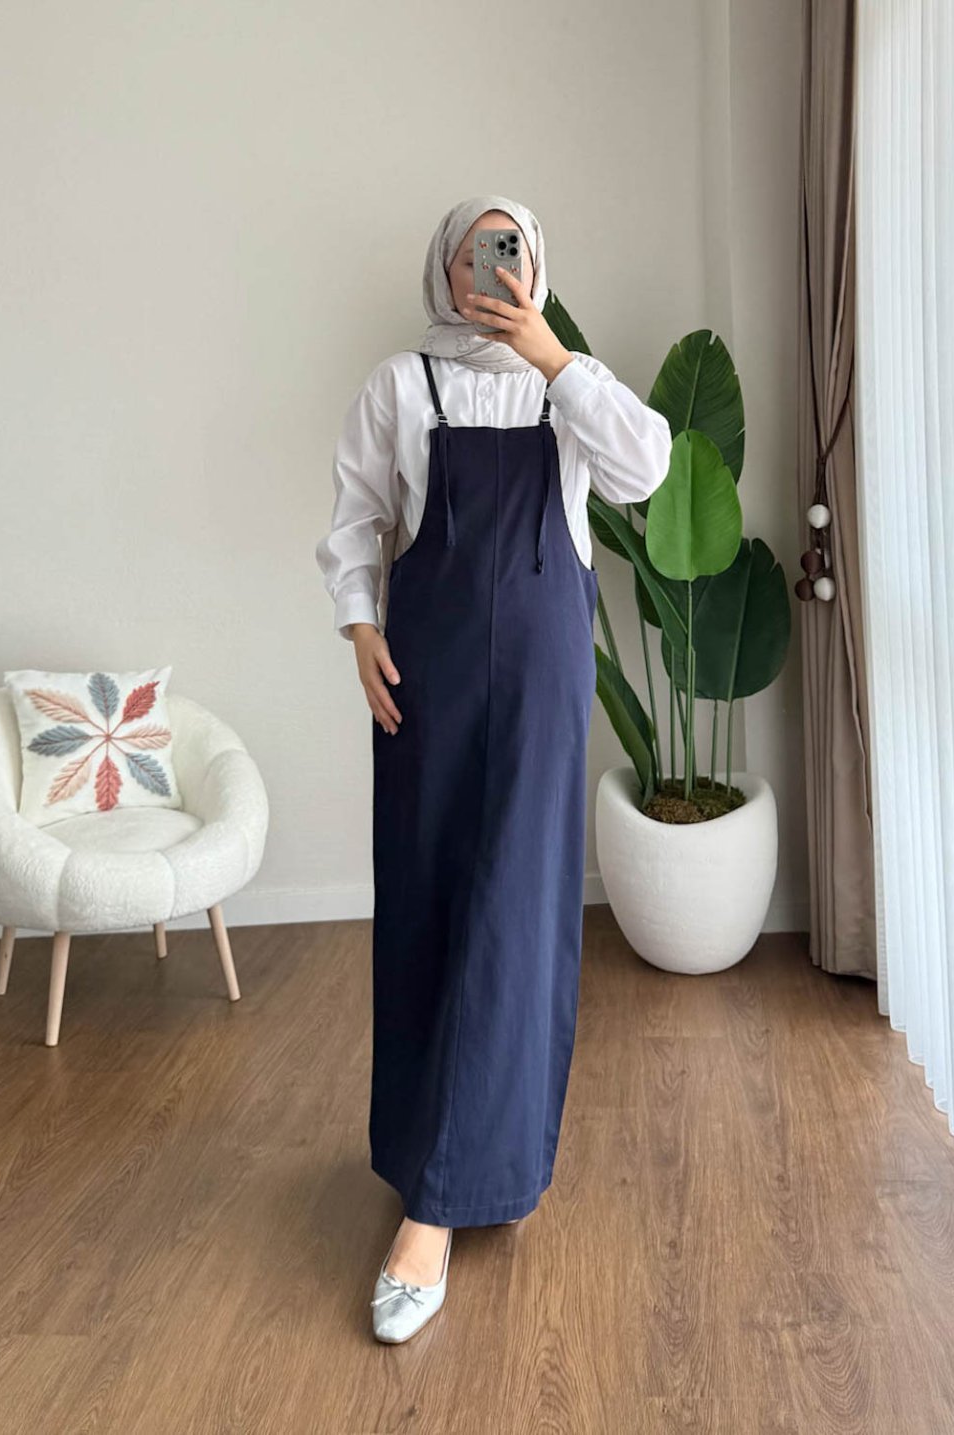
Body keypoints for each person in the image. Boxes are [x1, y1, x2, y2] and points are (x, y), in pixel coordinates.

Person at [315, 195, 673, 1343]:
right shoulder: (399, 385)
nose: (494, 268)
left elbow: (645, 472)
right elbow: (356, 523)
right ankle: (448, 1158)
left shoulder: (567, 385)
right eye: (478, 250)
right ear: (446, 265)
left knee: (516, 914)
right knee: (427, 902)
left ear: (536, 265)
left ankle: (442, 1205)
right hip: (422, 679)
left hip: (542, 679)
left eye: (511, 249)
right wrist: (359, 629)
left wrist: (555, 358)